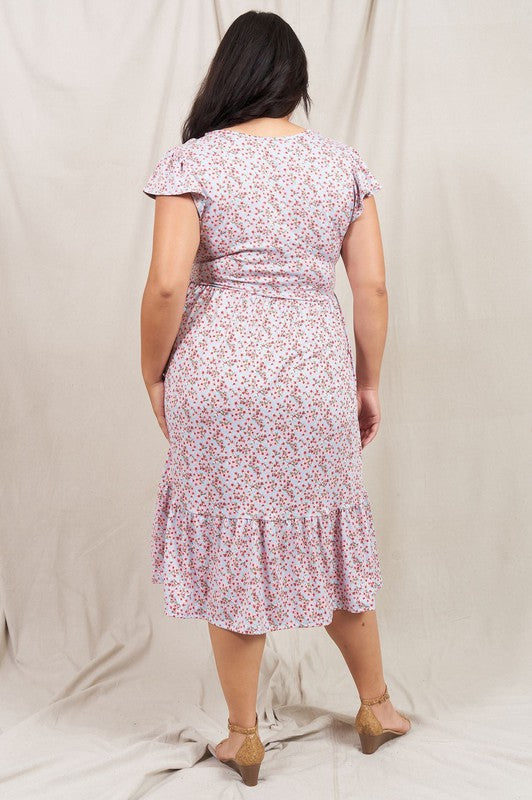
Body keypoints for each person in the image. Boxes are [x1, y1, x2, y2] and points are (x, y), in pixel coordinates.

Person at [140, 9, 411, 788]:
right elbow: (373, 286)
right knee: (327, 530)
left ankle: (242, 735)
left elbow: (166, 284)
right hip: (312, 376)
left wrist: (153, 373)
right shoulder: (341, 166)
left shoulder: (193, 161)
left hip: (217, 376)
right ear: (294, 83)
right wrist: (367, 379)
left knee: (233, 541)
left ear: (227, 76)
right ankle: (377, 706)